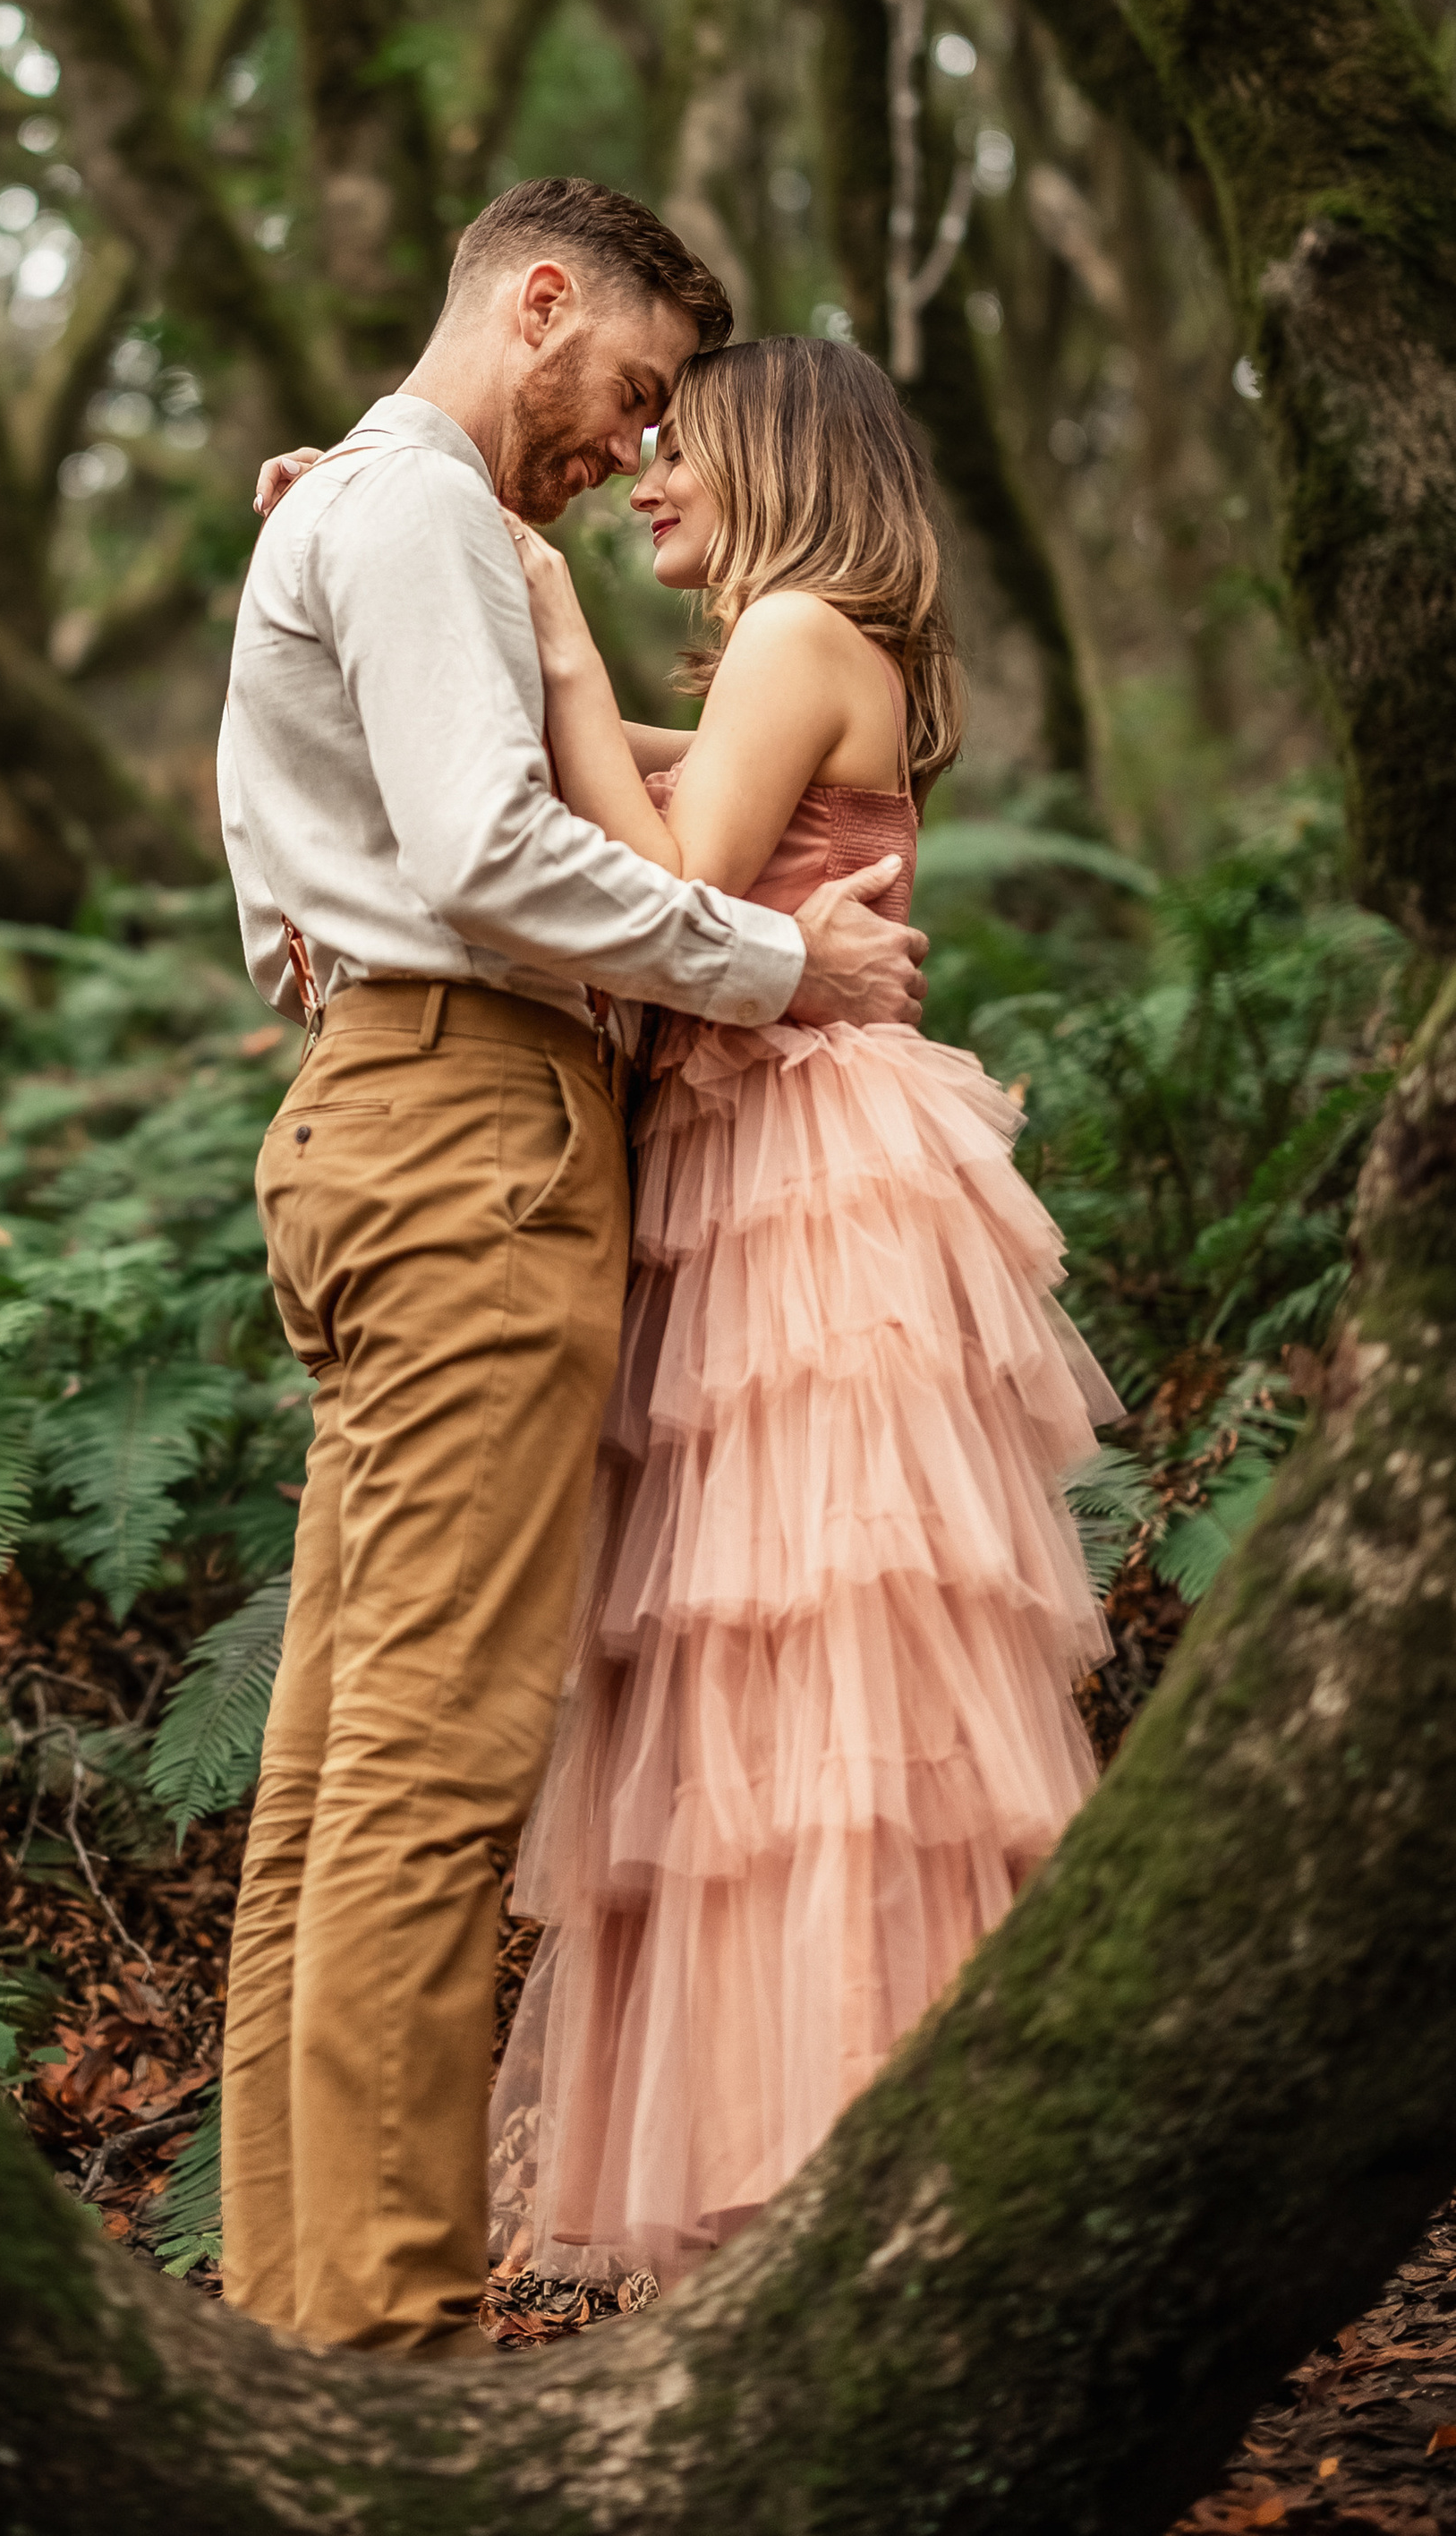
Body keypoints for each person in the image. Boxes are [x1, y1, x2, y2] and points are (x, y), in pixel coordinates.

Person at [216, 183, 926, 2362]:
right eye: (625, 391)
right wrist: (771, 958)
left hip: (368, 1109)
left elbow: (383, 851)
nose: (626, 452)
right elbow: (486, 853)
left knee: (332, 1783)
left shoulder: (349, 509)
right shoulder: (408, 510)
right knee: (424, 1778)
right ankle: (390, 2357)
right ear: (537, 305)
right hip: (467, 1132)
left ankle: (288, 2336)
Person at [487, 331, 1118, 2291]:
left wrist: (561, 654)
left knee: (803, 1664)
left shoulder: (785, 634)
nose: (644, 478)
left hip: (790, 1171)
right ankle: (880, 2157)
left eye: (675, 450)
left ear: (773, 458)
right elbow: (690, 808)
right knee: (814, 1669)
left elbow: (666, 881)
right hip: (796, 1147)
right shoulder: (829, 645)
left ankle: (829, 2173)